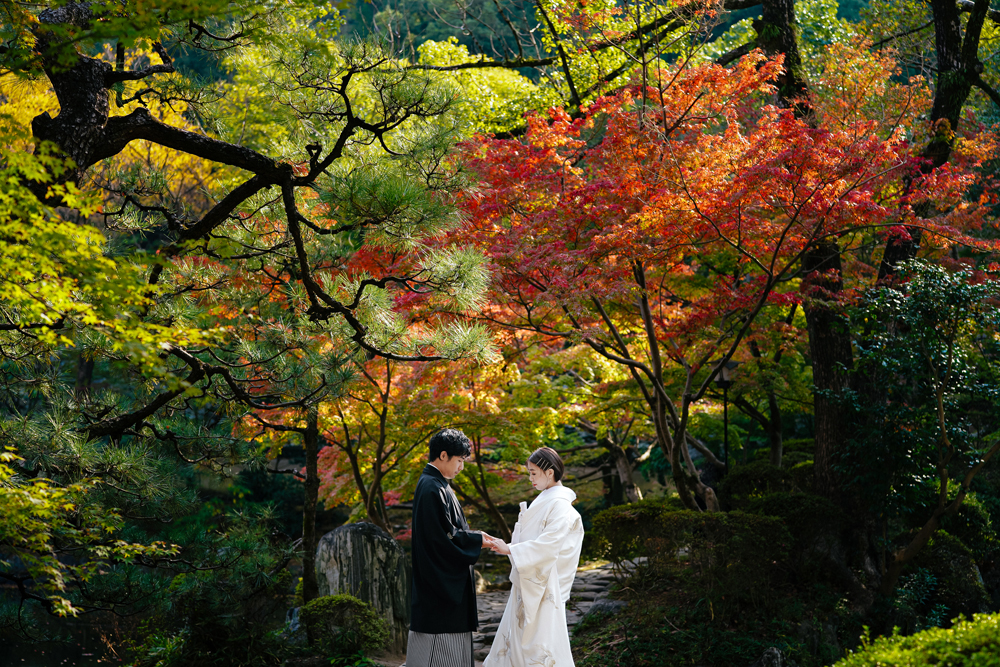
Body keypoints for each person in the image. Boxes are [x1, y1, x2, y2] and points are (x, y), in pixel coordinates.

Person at [482, 447, 584, 667]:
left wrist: (510, 549)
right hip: (529, 580)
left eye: (534, 473)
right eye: (529, 473)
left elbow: (549, 545)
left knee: (540, 643)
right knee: (518, 639)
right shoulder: (547, 500)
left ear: (550, 472)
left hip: (545, 585)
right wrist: (508, 546)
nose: (530, 478)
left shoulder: (560, 505)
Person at [407, 428, 496, 667]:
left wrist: (476, 537)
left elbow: (450, 533)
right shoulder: (432, 488)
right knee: (438, 656)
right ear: (443, 455)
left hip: (439, 587)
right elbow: (440, 539)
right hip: (438, 590)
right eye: (459, 460)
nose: (461, 467)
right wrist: (477, 540)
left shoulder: (437, 485)